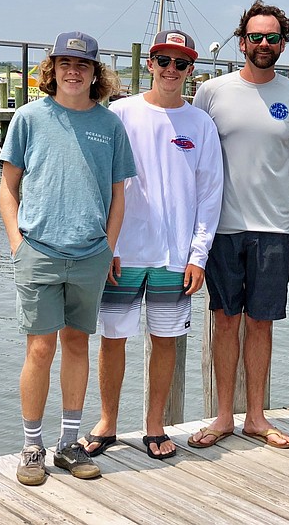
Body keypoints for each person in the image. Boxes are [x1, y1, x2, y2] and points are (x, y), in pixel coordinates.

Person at [0, 31, 136, 485]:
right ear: (52, 70)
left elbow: (119, 195)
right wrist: (17, 244)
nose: (73, 71)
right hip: (37, 250)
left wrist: (109, 247)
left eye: (83, 65)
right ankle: (32, 446)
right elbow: (7, 187)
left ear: (96, 73)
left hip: (91, 254)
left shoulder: (110, 124)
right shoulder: (28, 118)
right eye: (65, 63)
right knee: (40, 347)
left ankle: (69, 443)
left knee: (78, 344)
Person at [79, 30, 223, 461]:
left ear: (191, 70)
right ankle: (107, 422)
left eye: (181, 64)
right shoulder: (118, 114)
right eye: (164, 60)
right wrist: (105, 245)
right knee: (113, 337)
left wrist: (198, 256)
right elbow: (99, 182)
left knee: (165, 340)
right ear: (150, 63)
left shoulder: (201, 123)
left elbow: (210, 193)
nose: (172, 70)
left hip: (175, 256)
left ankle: (155, 424)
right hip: (121, 252)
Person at [188, 0, 289, 450]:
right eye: (255, 36)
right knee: (224, 322)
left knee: (261, 324)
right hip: (221, 229)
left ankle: (257, 417)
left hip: (273, 232)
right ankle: (224, 416)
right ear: (241, 40)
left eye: (273, 37)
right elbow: (196, 165)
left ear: (283, 43)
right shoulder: (210, 92)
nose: (263, 44)